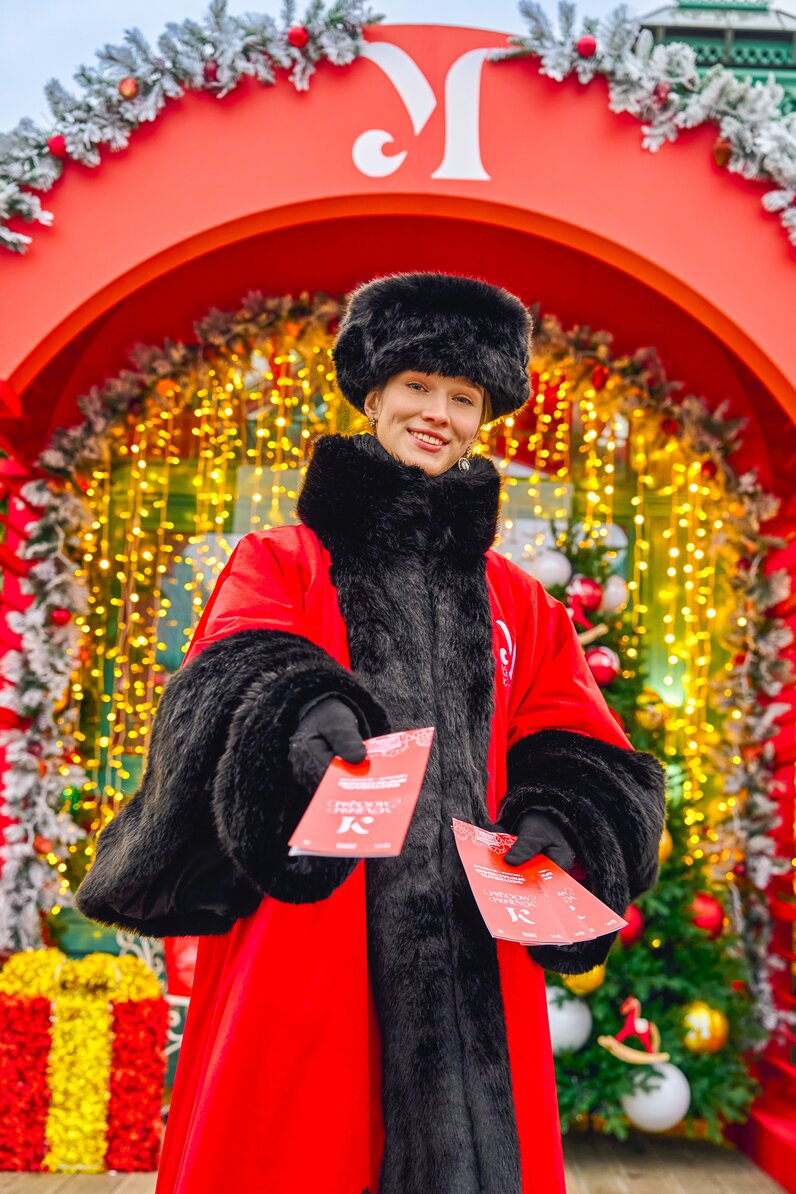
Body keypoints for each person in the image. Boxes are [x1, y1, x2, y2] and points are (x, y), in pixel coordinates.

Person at [76, 271, 666, 1194]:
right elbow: (232, 666)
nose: (437, 413)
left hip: (473, 954)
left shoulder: (522, 602)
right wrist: (301, 712)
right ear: (374, 395)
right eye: (417, 386)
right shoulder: (280, 561)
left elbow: (579, 738)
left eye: (462, 397)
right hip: (314, 936)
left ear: (484, 417)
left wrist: (557, 816)